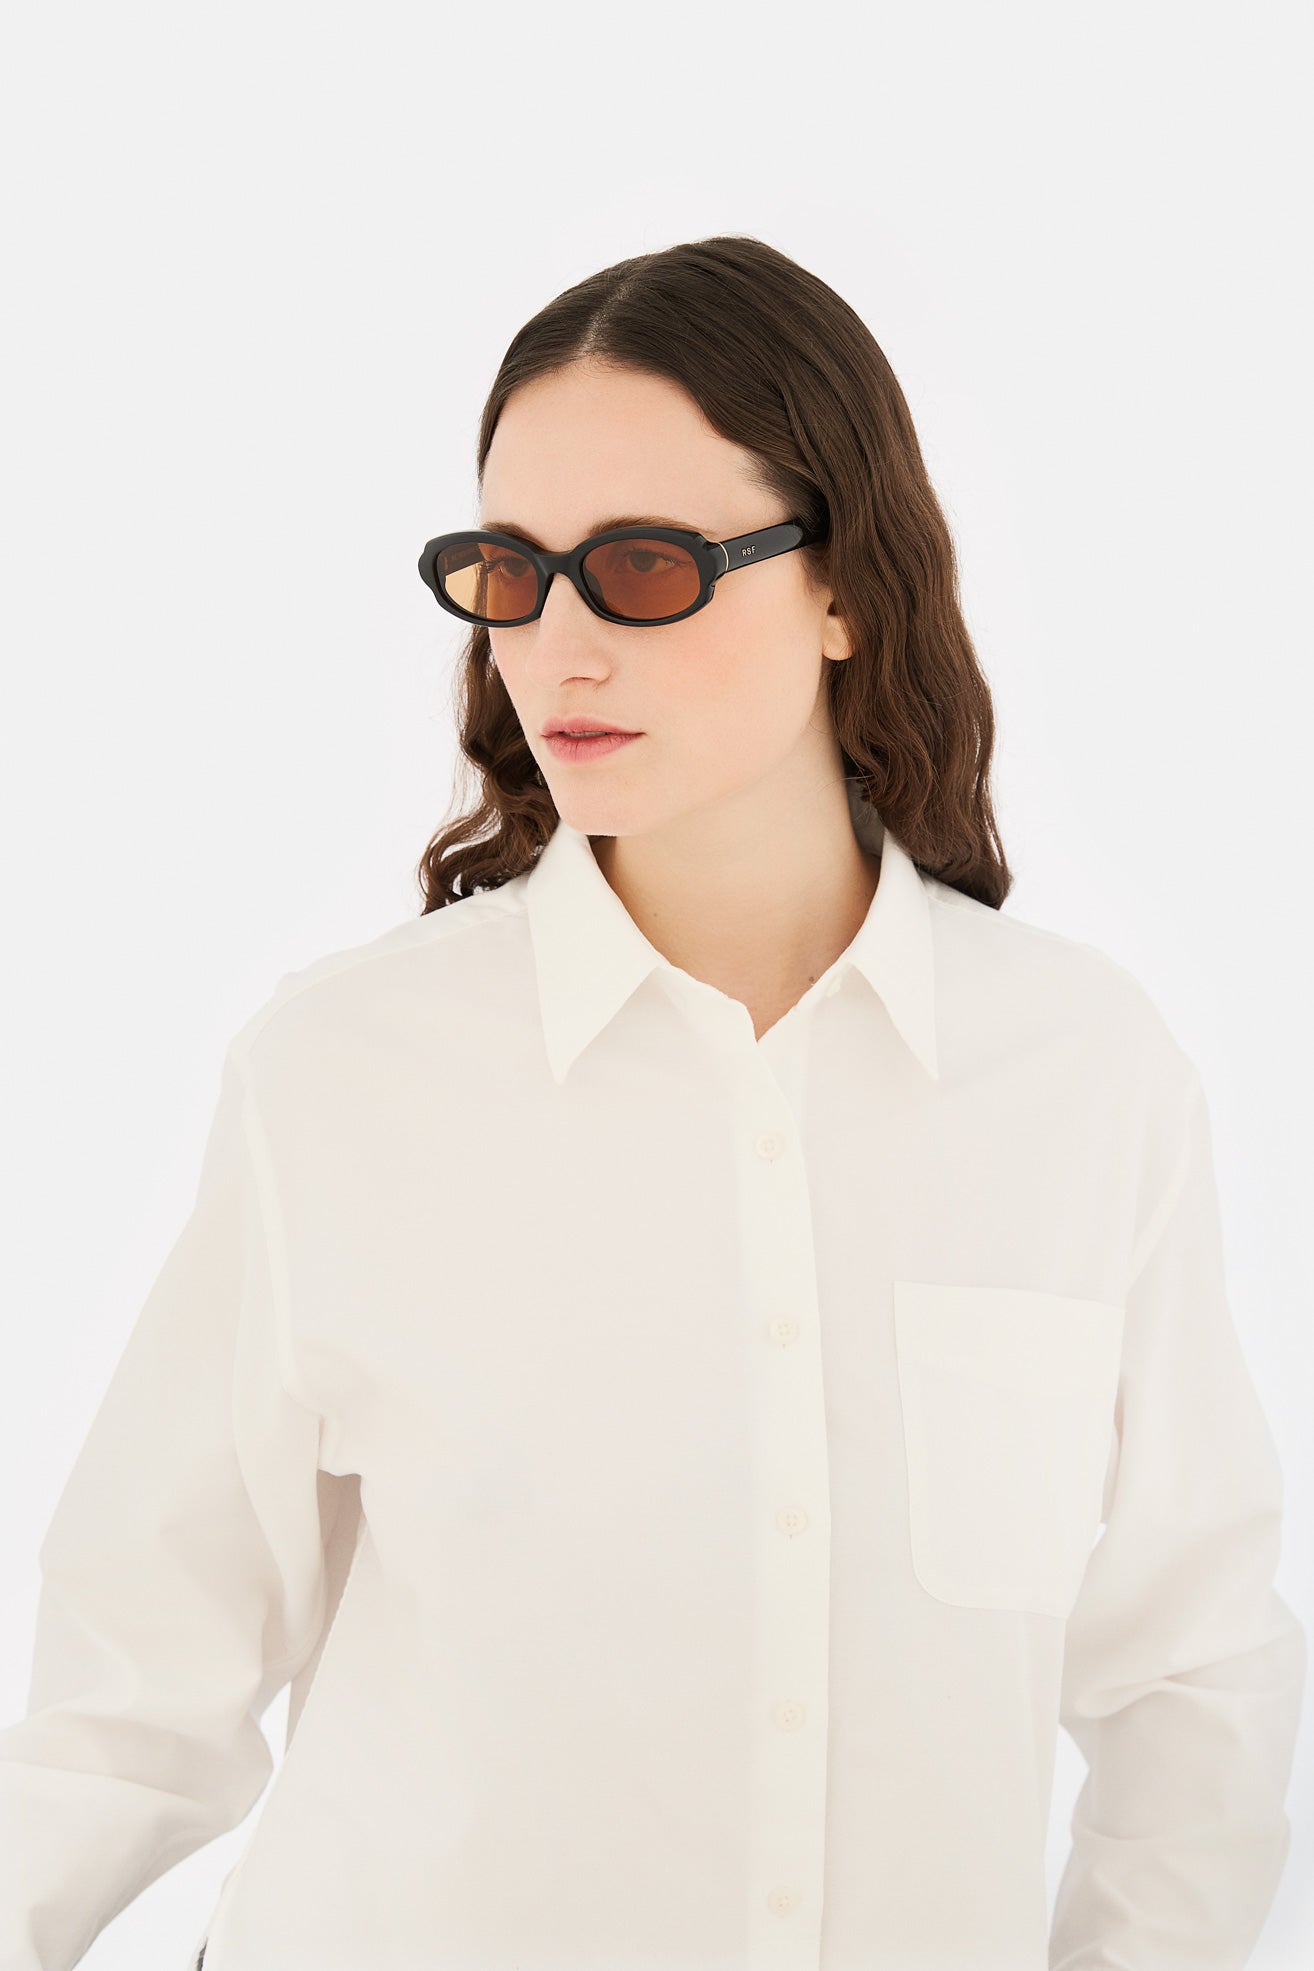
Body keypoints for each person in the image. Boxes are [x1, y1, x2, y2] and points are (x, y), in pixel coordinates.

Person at [0, 234, 1304, 1971]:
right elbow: (131, 1695)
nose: (554, 647)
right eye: (507, 573)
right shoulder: (341, 1077)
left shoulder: (1078, 1075)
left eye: (640, 568)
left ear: (846, 588)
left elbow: (1189, 1677)